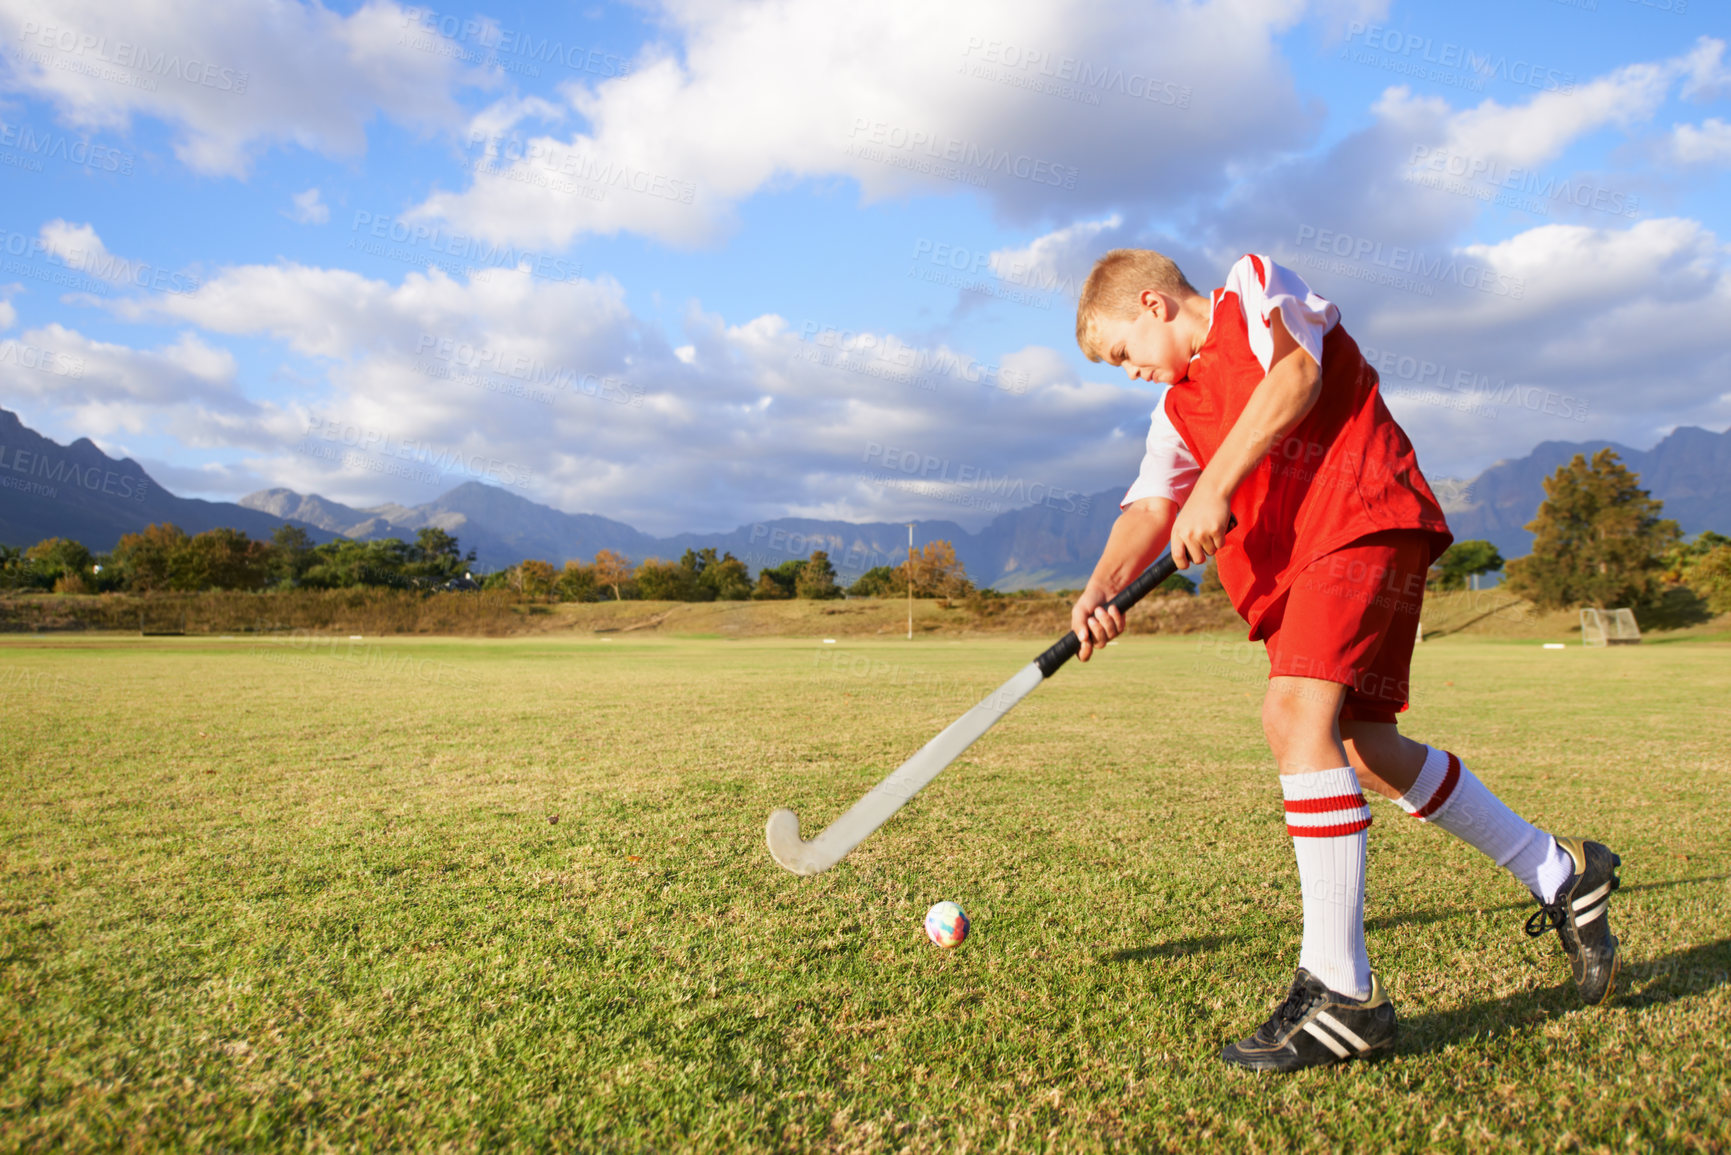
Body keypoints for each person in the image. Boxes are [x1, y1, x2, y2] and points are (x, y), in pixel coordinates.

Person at [1067, 249, 1621, 1072]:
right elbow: (1151, 505)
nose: (1131, 373)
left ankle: (1341, 992)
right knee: (1359, 745)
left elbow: (1296, 377)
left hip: (1355, 515)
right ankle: (1560, 869)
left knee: (1292, 716)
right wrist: (1099, 587)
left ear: (1150, 303)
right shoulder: (1174, 415)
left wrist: (1215, 485)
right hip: (1304, 565)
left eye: (1122, 353)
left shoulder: (1251, 285)